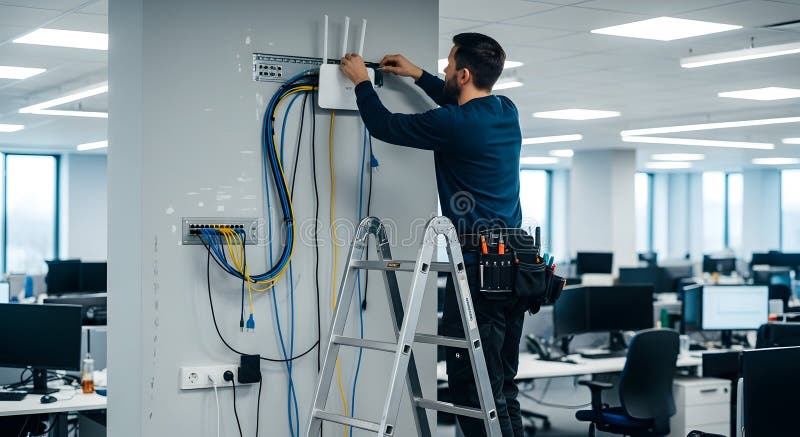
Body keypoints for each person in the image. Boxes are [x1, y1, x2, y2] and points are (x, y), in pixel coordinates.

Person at [340, 33, 525, 436]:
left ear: (463, 73)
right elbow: (453, 99)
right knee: (502, 387)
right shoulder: (506, 110)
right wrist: (417, 74)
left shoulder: (453, 123)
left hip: (480, 270)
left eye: (447, 65)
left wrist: (361, 82)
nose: (442, 71)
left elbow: (384, 125)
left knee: (472, 388)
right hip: (518, 265)